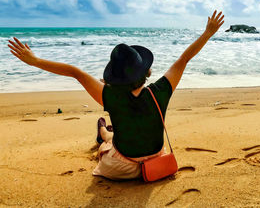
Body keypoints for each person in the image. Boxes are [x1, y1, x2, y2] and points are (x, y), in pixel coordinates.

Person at [7, 10, 225, 180]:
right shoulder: (160, 91)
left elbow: (74, 72)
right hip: (157, 160)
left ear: (114, 77)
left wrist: (35, 61)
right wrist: (207, 33)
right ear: (145, 71)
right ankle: (106, 130)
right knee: (119, 137)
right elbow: (184, 59)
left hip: (122, 168)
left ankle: (102, 130)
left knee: (107, 145)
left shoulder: (109, 96)